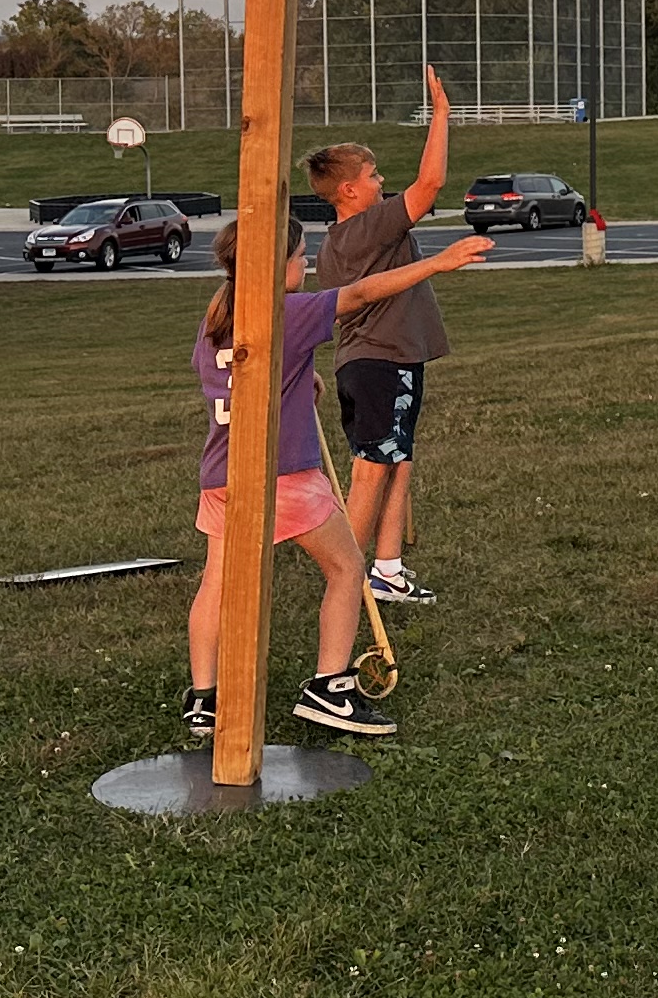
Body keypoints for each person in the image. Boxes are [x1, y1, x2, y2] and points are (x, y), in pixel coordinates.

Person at [187, 215, 491, 743]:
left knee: (219, 581)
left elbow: (244, 382)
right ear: (273, 266)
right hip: (282, 475)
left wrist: (300, 384)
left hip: (222, 475)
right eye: (301, 257)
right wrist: (438, 263)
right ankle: (331, 689)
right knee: (348, 567)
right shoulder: (288, 312)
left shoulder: (218, 318)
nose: (306, 265)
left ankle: (203, 699)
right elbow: (363, 292)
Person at [307, 68, 455, 612]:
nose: (379, 182)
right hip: (377, 366)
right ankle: (346, 576)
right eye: (372, 175)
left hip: (391, 360)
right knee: (372, 467)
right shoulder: (363, 229)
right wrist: (441, 114)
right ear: (348, 189)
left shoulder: (354, 235)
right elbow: (430, 185)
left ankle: (387, 571)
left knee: (398, 459)